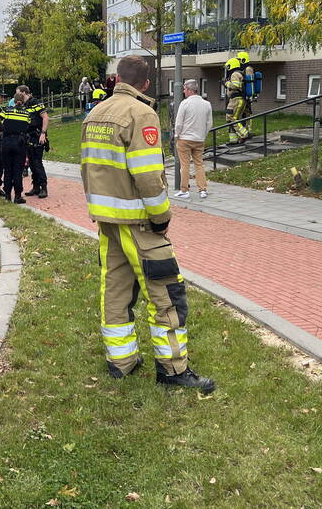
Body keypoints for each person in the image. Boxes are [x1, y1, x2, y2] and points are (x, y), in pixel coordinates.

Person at [81, 55, 215, 393]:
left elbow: (86, 168)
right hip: (139, 223)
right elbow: (148, 176)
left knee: (115, 292)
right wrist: (161, 217)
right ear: (146, 83)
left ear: (116, 79)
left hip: (107, 223)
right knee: (167, 294)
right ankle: (173, 371)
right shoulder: (141, 113)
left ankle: (120, 362)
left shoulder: (95, 113)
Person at [173, 79, 213, 199]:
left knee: (185, 165)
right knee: (199, 164)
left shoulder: (184, 104)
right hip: (199, 139)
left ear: (190, 90)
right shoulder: (207, 104)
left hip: (184, 138)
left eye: (184, 89)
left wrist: (177, 135)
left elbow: (179, 123)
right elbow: (209, 123)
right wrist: (203, 135)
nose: (184, 91)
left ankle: (184, 190)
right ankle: (202, 189)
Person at [0, 91, 31, 203]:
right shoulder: (26, 113)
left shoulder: (6, 110)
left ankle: (8, 195)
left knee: (7, 170)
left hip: (6, 142)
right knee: (18, 170)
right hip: (20, 143)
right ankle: (18, 196)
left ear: (14, 101)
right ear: (23, 101)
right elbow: (27, 127)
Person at [16, 85, 50, 198]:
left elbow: (45, 117)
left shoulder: (35, 102)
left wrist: (43, 133)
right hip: (28, 137)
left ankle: (43, 187)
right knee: (31, 162)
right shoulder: (24, 105)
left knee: (37, 162)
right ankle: (36, 186)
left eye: (18, 93)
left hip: (37, 136)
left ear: (24, 92)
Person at [223, 56, 248, 145]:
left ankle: (244, 134)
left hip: (236, 99)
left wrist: (226, 83)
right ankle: (233, 140)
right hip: (236, 99)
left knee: (231, 118)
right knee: (230, 119)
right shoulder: (238, 73)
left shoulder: (235, 74)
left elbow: (236, 86)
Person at [237, 51, 257, 115]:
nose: (238, 62)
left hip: (247, 94)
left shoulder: (248, 69)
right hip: (245, 93)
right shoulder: (245, 68)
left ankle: (247, 124)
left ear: (243, 60)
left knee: (246, 111)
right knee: (244, 112)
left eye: (239, 60)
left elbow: (248, 81)